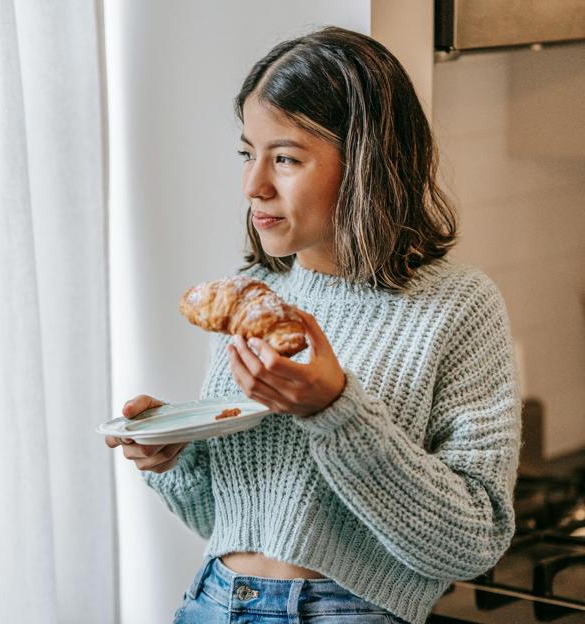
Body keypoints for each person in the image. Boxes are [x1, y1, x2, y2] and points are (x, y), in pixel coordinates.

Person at [105, 26, 522, 624]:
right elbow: (229, 518)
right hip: (212, 601)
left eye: (286, 158)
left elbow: (471, 542)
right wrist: (173, 460)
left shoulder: (457, 305)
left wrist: (335, 409)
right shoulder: (254, 299)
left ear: (367, 163)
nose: (255, 186)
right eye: (249, 153)